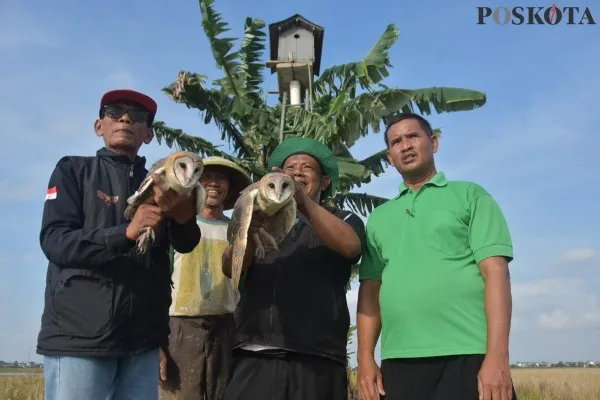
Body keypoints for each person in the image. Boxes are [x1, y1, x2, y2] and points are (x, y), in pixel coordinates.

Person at [37, 89, 202, 400]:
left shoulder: (162, 181)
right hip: (79, 339)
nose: (126, 118)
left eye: (137, 115)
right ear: (99, 126)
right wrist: (125, 232)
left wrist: (183, 215)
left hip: (142, 343)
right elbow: (55, 240)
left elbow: (186, 244)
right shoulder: (73, 170)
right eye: (115, 111)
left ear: (149, 134)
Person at [356, 113, 518, 400]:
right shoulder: (379, 219)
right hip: (399, 362)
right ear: (390, 157)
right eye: (396, 142)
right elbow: (370, 291)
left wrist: (497, 357)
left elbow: (496, 273)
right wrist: (365, 358)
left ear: (434, 143)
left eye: (413, 136)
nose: (405, 145)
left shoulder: (471, 196)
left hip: (469, 354)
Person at [221, 137, 365, 400]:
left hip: (318, 358)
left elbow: (351, 247)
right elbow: (231, 269)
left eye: (307, 168)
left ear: (324, 182)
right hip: (255, 354)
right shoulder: (261, 217)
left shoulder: (343, 218)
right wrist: (249, 232)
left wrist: (302, 202)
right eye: (290, 167)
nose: (297, 172)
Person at [158, 156, 252, 400]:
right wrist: (158, 341)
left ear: (230, 188)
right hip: (178, 326)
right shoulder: (176, 227)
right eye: (206, 177)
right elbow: (158, 281)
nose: (213, 183)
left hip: (228, 328)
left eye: (221, 178)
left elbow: (245, 282)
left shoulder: (239, 232)